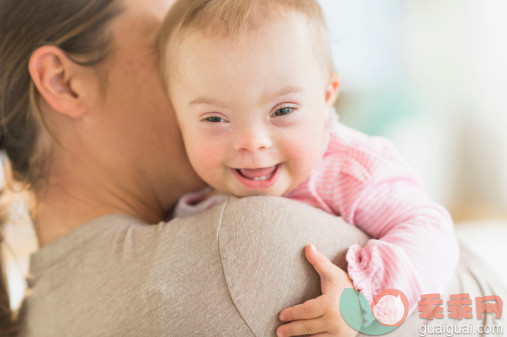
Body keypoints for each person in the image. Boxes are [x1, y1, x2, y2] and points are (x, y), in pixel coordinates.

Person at [0, 0, 505, 336]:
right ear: (63, 82)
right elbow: (490, 311)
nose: (249, 140)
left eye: (281, 109)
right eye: (164, 54)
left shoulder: (42, 307)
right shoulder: (235, 245)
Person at [158, 1, 459, 335]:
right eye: (215, 118)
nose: (252, 141)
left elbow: (429, 228)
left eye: (283, 111)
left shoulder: (348, 170)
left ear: (327, 95)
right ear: (176, 116)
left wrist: (363, 305)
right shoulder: (188, 187)